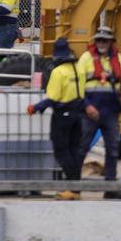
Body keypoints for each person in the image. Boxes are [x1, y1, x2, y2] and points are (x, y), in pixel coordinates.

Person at [77, 26, 121, 196]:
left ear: (110, 42)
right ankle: (73, 185)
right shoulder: (86, 58)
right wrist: (87, 106)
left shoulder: (117, 58)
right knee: (81, 147)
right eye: (99, 40)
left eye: (105, 40)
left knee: (113, 147)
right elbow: (77, 86)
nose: (102, 43)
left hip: (110, 112)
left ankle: (110, 187)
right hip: (90, 111)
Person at [28, 37, 83, 200]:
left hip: (63, 116)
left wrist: (36, 108)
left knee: (62, 151)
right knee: (74, 152)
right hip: (78, 115)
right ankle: (76, 189)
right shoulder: (77, 69)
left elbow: (52, 98)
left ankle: (73, 188)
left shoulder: (58, 72)